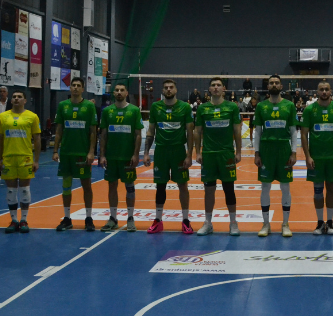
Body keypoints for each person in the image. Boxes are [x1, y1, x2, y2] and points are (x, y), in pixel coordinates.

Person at [144, 79, 194, 234]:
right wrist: (146, 153)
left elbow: (190, 132)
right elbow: (151, 131)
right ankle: (158, 220)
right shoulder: (155, 107)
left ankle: (185, 220)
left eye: (171, 87)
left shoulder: (185, 107)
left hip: (178, 151)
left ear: (176, 90)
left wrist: (189, 155)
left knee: (183, 185)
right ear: (162, 90)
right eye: (166, 87)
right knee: (160, 186)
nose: (168, 90)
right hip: (161, 151)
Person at [194, 77, 242, 236]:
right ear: (209, 89)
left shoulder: (232, 107)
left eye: (218, 85)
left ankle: (233, 223)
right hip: (208, 154)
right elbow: (197, 131)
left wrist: (239, 151)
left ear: (224, 89)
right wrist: (198, 152)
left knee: (229, 189)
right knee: (209, 190)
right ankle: (208, 223)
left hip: (226, 154)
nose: (215, 87)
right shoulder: (202, 108)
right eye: (213, 85)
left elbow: (237, 130)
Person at [253, 75, 299, 237]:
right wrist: (256, 153)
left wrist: (294, 152)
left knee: (285, 187)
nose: (274, 85)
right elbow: (258, 132)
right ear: (268, 86)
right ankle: (266, 224)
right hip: (266, 150)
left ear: (281, 86)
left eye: (276, 83)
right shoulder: (261, 106)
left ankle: (285, 224)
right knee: (265, 187)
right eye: (271, 83)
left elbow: (293, 132)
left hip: (284, 149)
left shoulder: (289, 105)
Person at [301, 79, 333, 235]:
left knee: (332, 190)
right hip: (316, 158)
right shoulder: (309, 110)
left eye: (327, 89)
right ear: (317, 92)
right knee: (318, 191)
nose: (324, 92)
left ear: (331, 91)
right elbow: (304, 134)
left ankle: (331, 222)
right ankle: (320, 223)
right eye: (321, 89)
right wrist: (307, 156)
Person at [53, 77, 98, 231]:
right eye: (73, 85)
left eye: (79, 85)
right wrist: (55, 150)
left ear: (83, 89)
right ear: (70, 88)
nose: (76, 88)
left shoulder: (89, 106)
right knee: (66, 186)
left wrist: (91, 151)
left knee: (86, 186)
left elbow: (93, 131)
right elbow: (59, 130)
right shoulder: (63, 105)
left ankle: (89, 218)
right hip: (66, 153)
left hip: (82, 153)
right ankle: (67, 218)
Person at [99, 83, 143, 232]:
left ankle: (130, 218)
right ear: (113, 93)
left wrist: (136, 154)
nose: (119, 92)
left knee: (129, 187)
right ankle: (113, 218)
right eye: (116, 90)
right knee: (112, 186)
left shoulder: (134, 110)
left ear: (126, 93)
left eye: (122, 90)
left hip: (127, 157)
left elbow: (138, 135)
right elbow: (103, 135)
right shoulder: (107, 111)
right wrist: (102, 155)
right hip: (111, 157)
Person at [0, 90, 41, 233]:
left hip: (25, 157)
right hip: (8, 158)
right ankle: (14, 220)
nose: (16, 99)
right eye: (14, 97)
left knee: (25, 189)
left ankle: (24, 220)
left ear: (25, 101)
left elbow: (37, 139)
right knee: (11, 190)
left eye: (19, 97)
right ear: (11, 100)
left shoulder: (32, 116)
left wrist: (36, 160)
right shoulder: (3, 117)